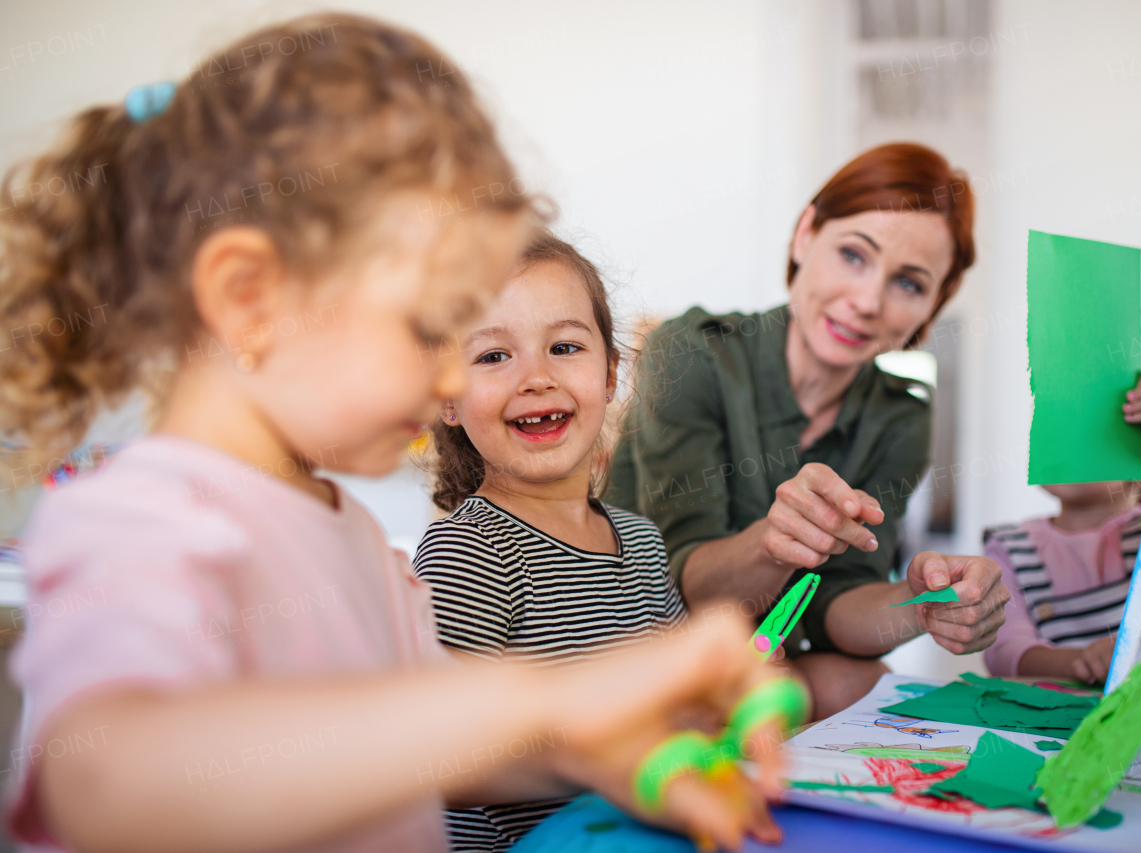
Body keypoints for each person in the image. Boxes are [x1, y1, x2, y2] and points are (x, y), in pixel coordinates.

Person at [0, 15, 784, 852]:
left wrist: (609, 752)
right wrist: (546, 698)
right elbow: (109, 781)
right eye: (427, 328)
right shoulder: (143, 521)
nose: (452, 380)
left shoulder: (358, 539)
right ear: (252, 299)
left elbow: (446, 750)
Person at [607, 143, 1011, 720]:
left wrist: (925, 602)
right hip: (638, 637)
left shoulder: (901, 416)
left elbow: (835, 608)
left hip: (748, 657)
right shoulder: (691, 353)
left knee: (864, 684)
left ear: (930, 309)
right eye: (853, 254)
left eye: (909, 285)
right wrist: (775, 541)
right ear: (805, 235)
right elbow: (691, 589)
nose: (867, 301)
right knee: (773, 693)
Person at [415, 231, 686, 851]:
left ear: (612, 373)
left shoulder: (642, 543)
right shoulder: (467, 552)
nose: (536, 377)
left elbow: (674, 708)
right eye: (492, 357)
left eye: (564, 346)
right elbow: (446, 759)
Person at [984, 359, 1141, 683]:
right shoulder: (1009, 548)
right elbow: (1003, 653)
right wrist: (1080, 661)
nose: (1067, 443)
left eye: (1094, 430)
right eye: (1054, 424)